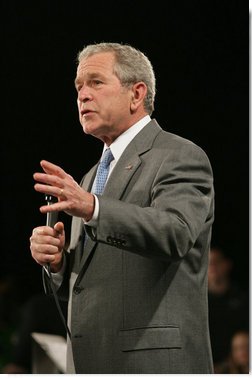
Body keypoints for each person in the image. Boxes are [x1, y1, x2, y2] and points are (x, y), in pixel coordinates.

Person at [29, 42, 215, 374]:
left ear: (136, 93)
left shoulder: (178, 155)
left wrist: (93, 208)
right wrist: (58, 263)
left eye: (96, 82)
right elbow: (89, 279)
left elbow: (176, 233)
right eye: (78, 87)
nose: (83, 95)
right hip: (93, 360)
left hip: (151, 362)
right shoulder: (89, 179)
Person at [208, 246, 249, 367]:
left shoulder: (242, 298)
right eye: (209, 263)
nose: (212, 267)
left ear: (227, 264)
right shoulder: (196, 304)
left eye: (217, 262)